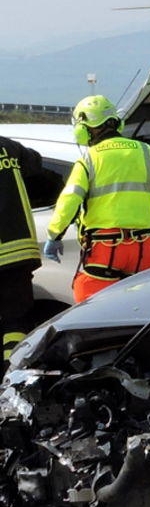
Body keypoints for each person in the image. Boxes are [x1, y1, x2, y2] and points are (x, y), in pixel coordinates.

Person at [46, 95, 150, 303]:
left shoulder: (89, 159)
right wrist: (145, 218)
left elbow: (69, 201)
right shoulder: (146, 152)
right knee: (137, 306)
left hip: (105, 249)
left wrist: (54, 235)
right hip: (141, 248)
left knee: (92, 304)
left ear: (84, 127)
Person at [0, 135, 46, 367]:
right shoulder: (9, 147)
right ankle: (12, 375)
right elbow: (37, 165)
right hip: (19, 252)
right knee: (15, 323)